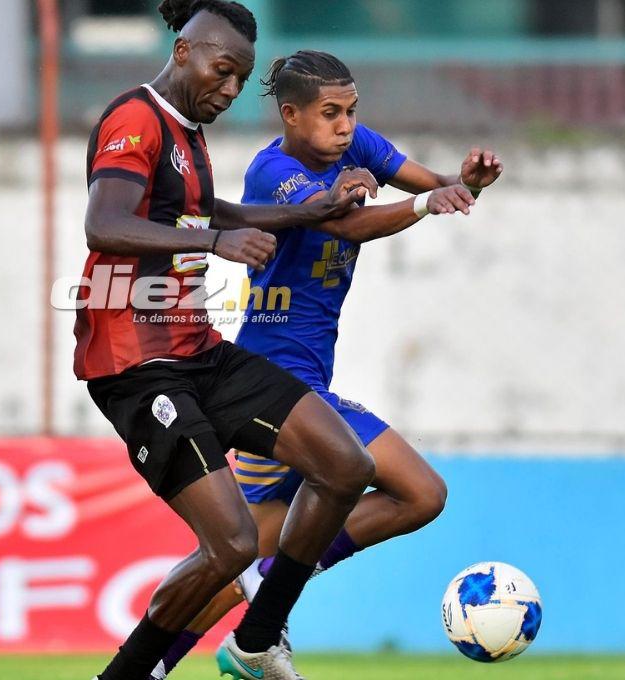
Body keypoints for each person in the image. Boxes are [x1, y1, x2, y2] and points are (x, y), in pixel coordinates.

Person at [147, 50, 504, 679]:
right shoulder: (273, 173)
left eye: (352, 111)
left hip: (308, 384)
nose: (345, 126)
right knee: (420, 492)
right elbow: (351, 227)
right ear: (290, 115)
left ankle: (156, 664)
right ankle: (273, 592)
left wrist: (463, 184)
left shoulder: (355, 147)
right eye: (330, 113)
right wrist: (426, 204)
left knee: (236, 563)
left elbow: (426, 182)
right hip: (272, 384)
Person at [79, 4, 390, 678]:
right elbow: (104, 223)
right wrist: (214, 243)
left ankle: (256, 641)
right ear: (186, 50)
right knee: (231, 544)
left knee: (345, 465)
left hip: (199, 351)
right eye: (223, 72)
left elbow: (214, 209)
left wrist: (310, 211)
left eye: (239, 80)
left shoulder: (186, 134)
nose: (228, 89)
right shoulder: (137, 118)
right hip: (137, 366)